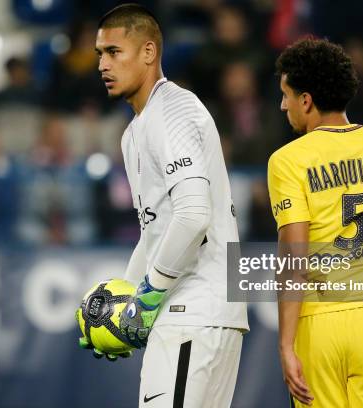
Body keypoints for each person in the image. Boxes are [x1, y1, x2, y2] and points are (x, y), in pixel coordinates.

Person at [82, 4, 249, 407]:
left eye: (114, 52)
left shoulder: (173, 111)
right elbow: (156, 228)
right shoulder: (135, 131)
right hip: (192, 312)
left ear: (149, 52)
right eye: (99, 54)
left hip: (194, 310)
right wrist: (123, 306)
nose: (103, 64)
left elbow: (194, 216)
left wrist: (147, 296)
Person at [267, 38, 363, 407]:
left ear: (306, 101)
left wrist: (286, 345)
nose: (283, 104)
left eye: (287, 94)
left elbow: (294, 264)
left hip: (318, 326)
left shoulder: (287, 161)